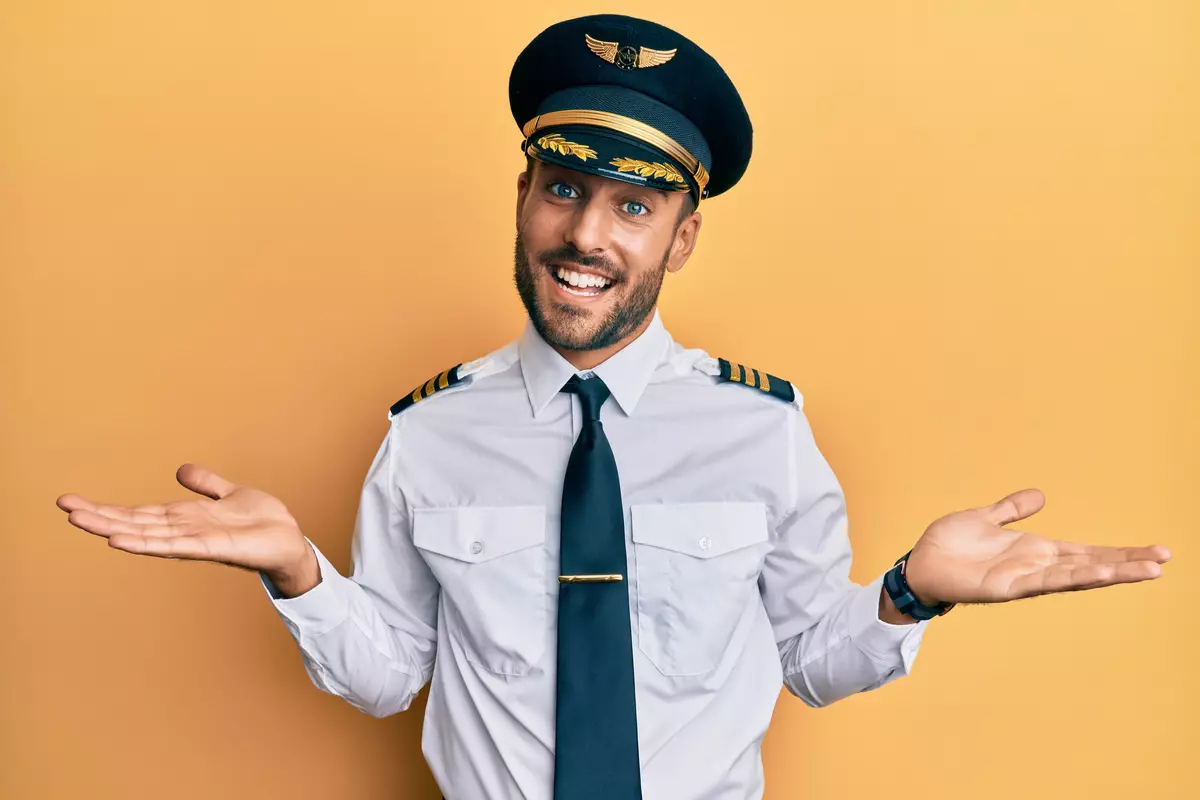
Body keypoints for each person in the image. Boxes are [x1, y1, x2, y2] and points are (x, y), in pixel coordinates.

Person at [55, 13, 1172, 800]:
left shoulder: (763, 430)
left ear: (681, 237)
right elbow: (392, 673)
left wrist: (907, 592)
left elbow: (808, 661)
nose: (586, 235)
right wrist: (296, 568)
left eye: (632, 204)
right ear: (526, 195)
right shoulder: (428, 432)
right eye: (563, 187)